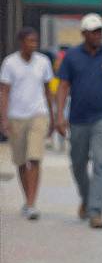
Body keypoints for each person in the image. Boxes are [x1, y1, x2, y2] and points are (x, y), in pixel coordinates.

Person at [56, 13, 102, 229]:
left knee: (100, 162)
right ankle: (86, 200)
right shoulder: (72, 57)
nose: (98, 35)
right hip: (78, 118)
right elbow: (63, 86)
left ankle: (96, 211)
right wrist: (59, 115)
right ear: (84, 33)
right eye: (94, 32)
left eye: (100, 31)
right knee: (77, 163)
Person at [0, 27, 54, 220]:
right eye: (30, 41)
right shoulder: (10, 63)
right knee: (22, 161)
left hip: (39, 114)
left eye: (35, 41)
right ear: (21, 42)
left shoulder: (43, 62)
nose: (33, 44)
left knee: (34, 158)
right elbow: (4, 91)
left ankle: (32, 203)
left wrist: (53, 118)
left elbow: (48, 91)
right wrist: (3, 118)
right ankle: (27, 199)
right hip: (17, 117)